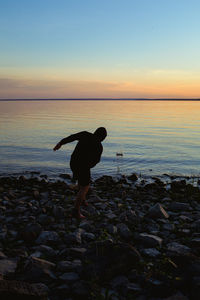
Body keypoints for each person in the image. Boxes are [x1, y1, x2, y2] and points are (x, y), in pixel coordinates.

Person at [53, 127, 107, 219]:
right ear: (103, 138)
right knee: (85, 187)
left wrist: (60, 143)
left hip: (73, 163)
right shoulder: (99, 146)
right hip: (83, 166)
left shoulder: (85, 134)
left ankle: (82, 200)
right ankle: (76, 211)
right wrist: (88, 166)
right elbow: (96, 161)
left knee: (81, 182)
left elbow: (72, 137)